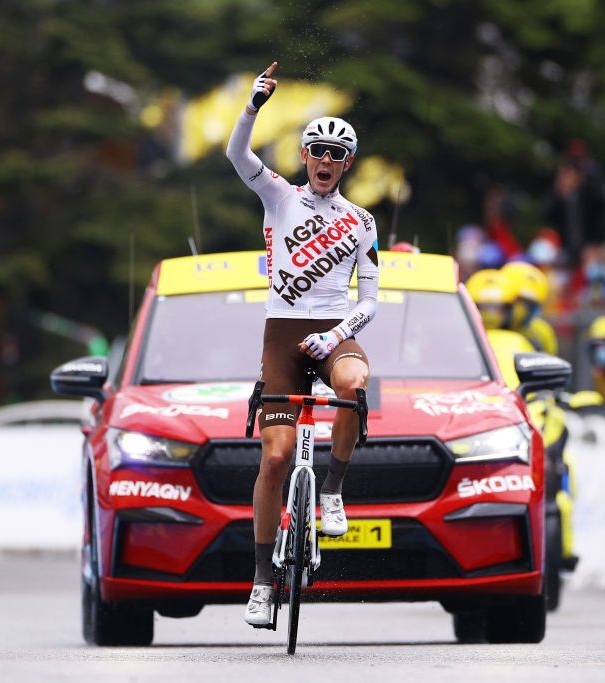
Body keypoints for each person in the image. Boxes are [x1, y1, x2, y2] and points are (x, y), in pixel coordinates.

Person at [226, 63, 380, 626]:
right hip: (283, 332)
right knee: (275, 455)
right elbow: (237, 158)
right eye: (316, 151)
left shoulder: (361, 222)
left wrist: (337, 335)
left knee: (354, 383)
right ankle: (264, 583)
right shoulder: (279, 198)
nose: (324, 161)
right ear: (305, 156)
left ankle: (333, 489)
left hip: (336, 330)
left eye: (336, 155)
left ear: (347, 164)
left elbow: (371, 301)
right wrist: (254, 104)